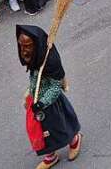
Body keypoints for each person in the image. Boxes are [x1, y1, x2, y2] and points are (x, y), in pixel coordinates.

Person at [17, 25, 82, 169]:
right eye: (21, 45)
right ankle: (50, 156)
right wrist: (30, 92)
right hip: (37, 103)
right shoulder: (35, 58)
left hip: (52, 106)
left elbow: (55, 86)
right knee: (43, 132)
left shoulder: (49, 62)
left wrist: (41, 103)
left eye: (27, 45)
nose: (24, 50)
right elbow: (34, 78)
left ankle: (74, 140)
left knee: (60, 126)